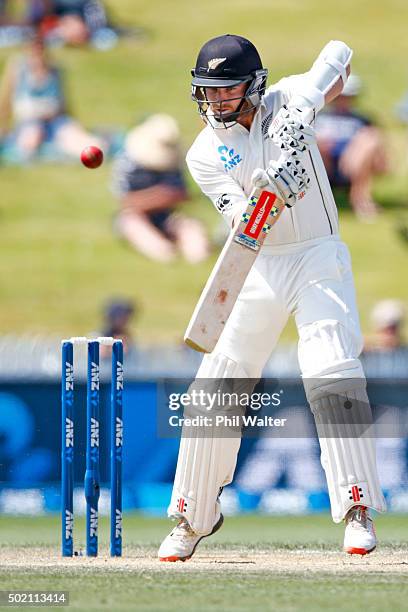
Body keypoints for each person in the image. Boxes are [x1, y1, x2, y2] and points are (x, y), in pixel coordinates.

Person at [158, 34, 386, 562]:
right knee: (216, 381)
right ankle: (192, 516)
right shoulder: (203, 153)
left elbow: (339, 54)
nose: (215, 102)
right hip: (257, 261)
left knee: (331, 365)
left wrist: (304, 109)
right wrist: (270, 191)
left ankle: (357, 508)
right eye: (207, 92)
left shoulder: (287, 98)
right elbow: (246, 223)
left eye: (226, 90)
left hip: (317, 257)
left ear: (255, 84)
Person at [112, 114, 209, 263]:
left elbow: (181, 194)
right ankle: (164, 252)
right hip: (138, 216)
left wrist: (166, 197)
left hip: (167, 216)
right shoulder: (129, 163)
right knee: (131, 222)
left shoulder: (174, 164)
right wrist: (160, 196)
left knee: (189, 228)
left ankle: (196, 256)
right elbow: (127, 202)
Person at [0, 34, 104, 161]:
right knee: (31, 139)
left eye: (39, 49)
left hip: (55, 120)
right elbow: (5, 100)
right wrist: (3, 125)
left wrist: (74, 123)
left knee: (77, 137)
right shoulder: (19, 68)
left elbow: (64, 101)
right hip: (30, 121)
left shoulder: (55, 70)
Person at [315, 74, 387, 220]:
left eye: (348, 96)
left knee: (370, 139)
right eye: (340, 96)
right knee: (314, 139)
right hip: (323, 163)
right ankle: (315, 203)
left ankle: (360, 198)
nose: (343, 100)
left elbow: (382, 161)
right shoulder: (318, 116)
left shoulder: (363, 120)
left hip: (353, 165)